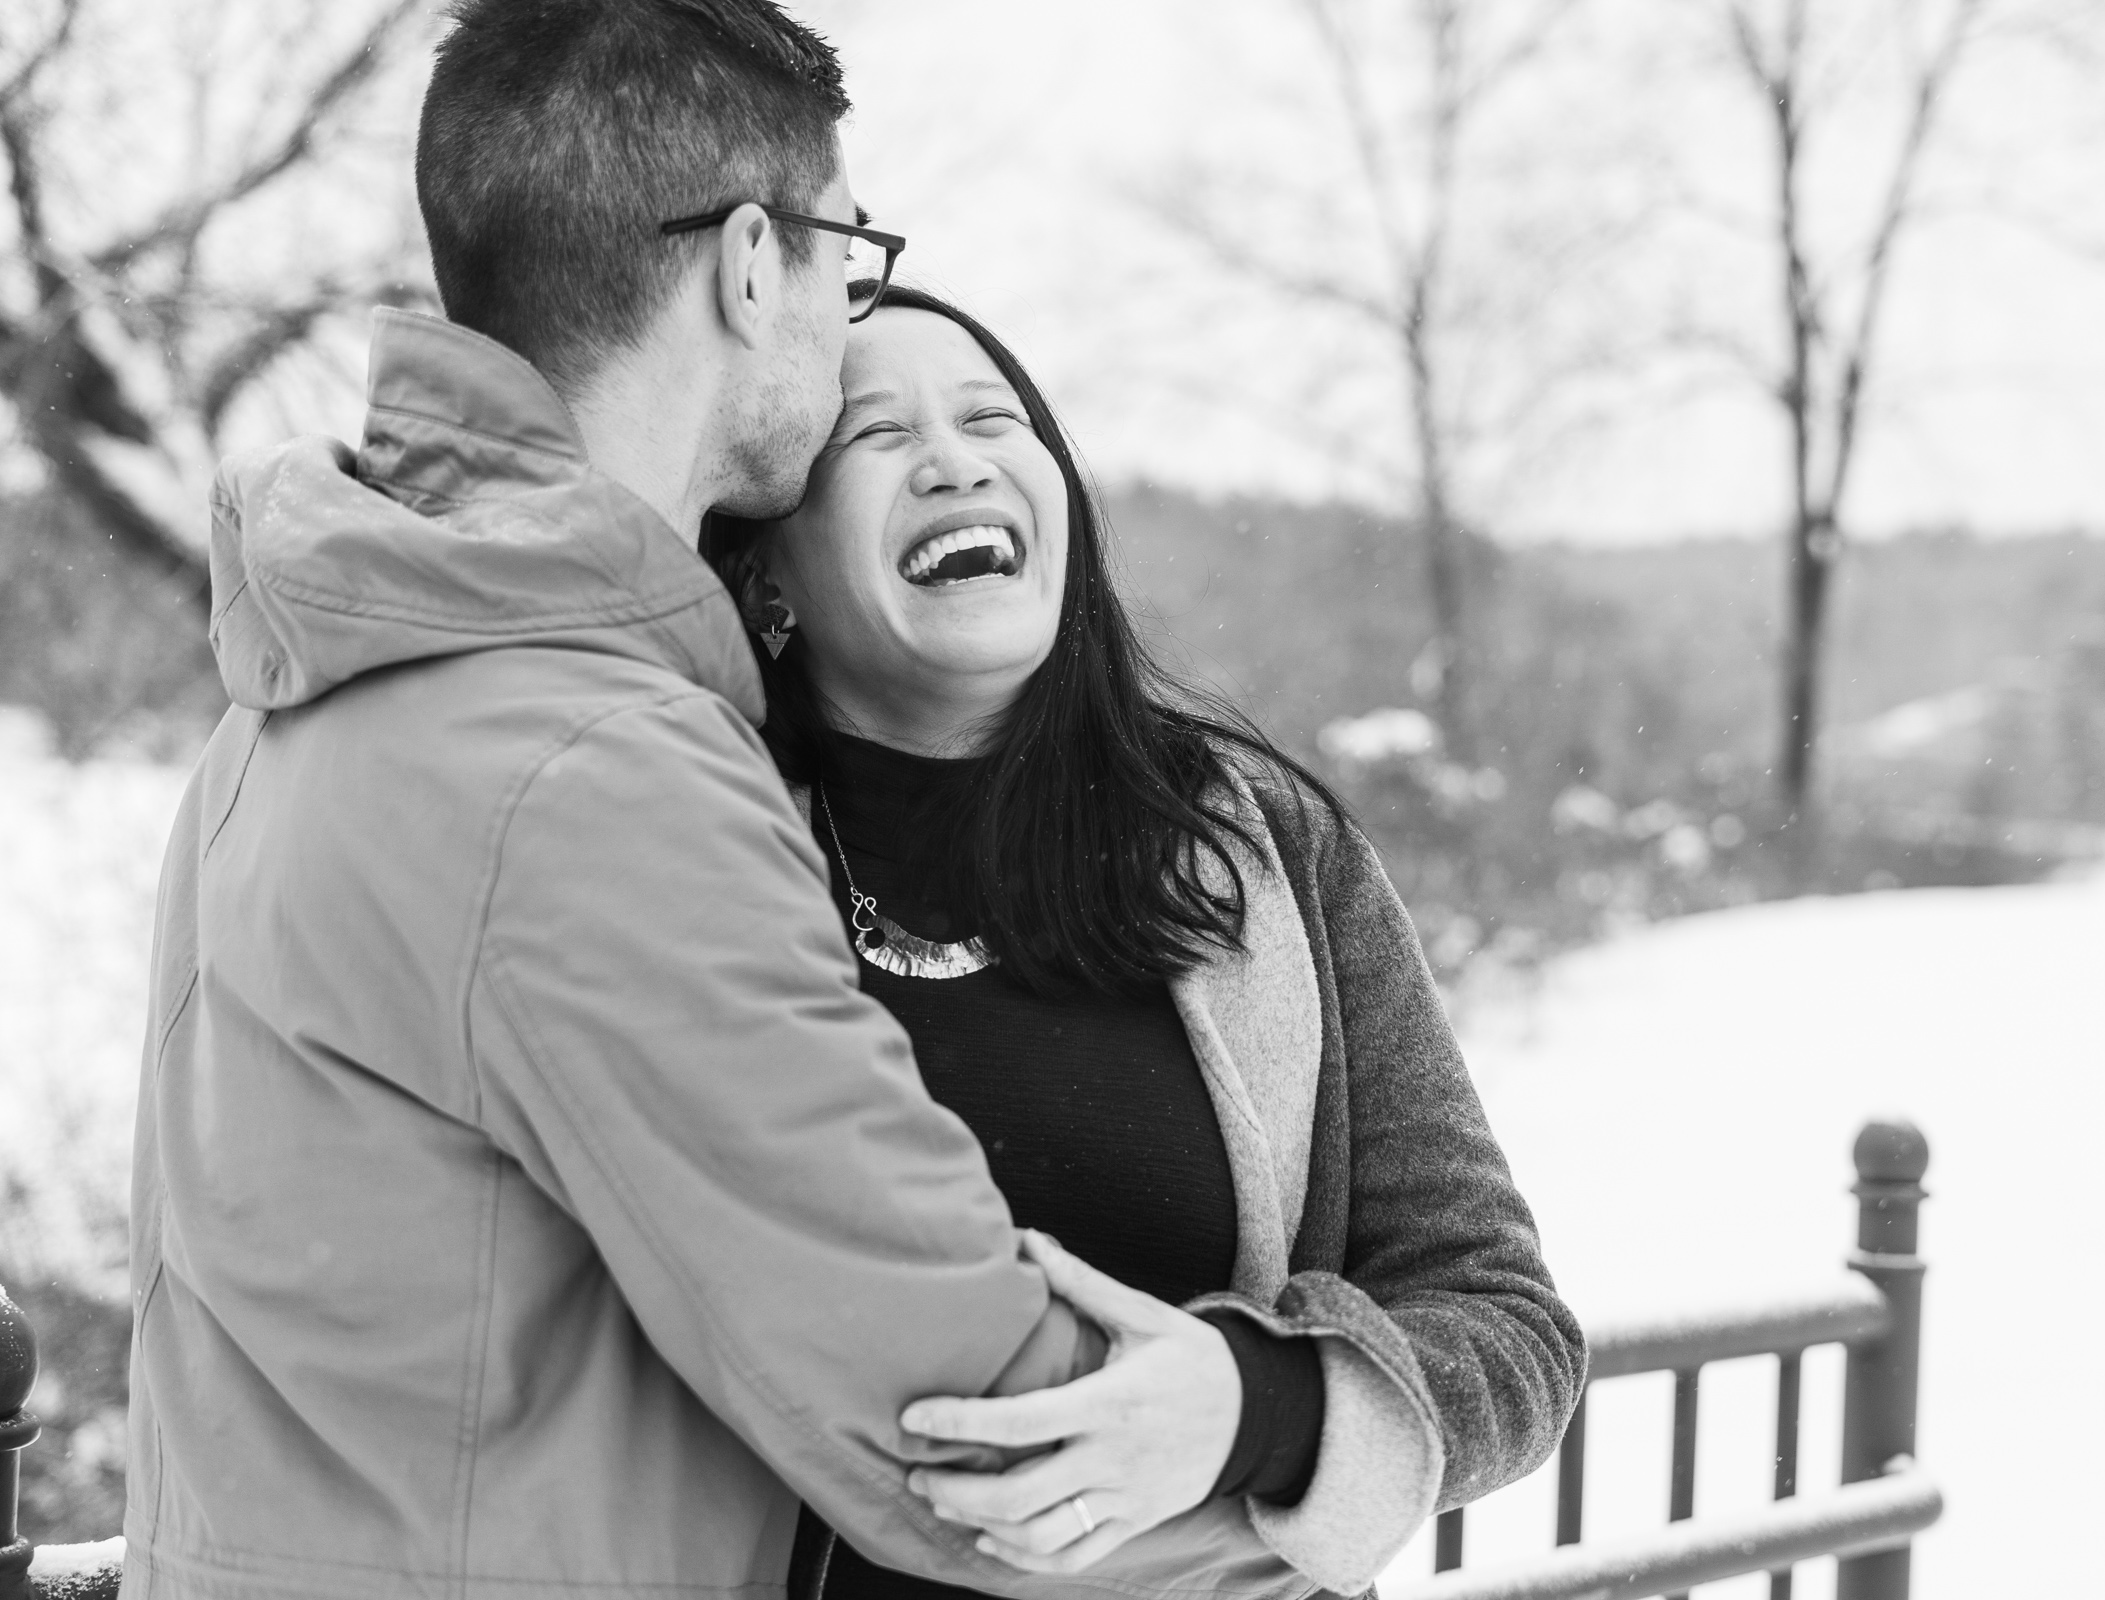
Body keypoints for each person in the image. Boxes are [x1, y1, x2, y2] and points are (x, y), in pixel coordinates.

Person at [126, 5, 1301, 1598]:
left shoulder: (307, 683)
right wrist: (1296, 1439)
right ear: (755, 264)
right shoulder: (592, 773)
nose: (843, 308)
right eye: (845, 260)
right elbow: (965, 1423)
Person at [702, 284, 1587, 1600]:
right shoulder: (695, 859)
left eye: (999, 419)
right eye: (875, 436)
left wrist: (1256, 1406)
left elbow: (1507, 1326)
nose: (956, 458)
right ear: (766, 572)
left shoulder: (1262, 850)